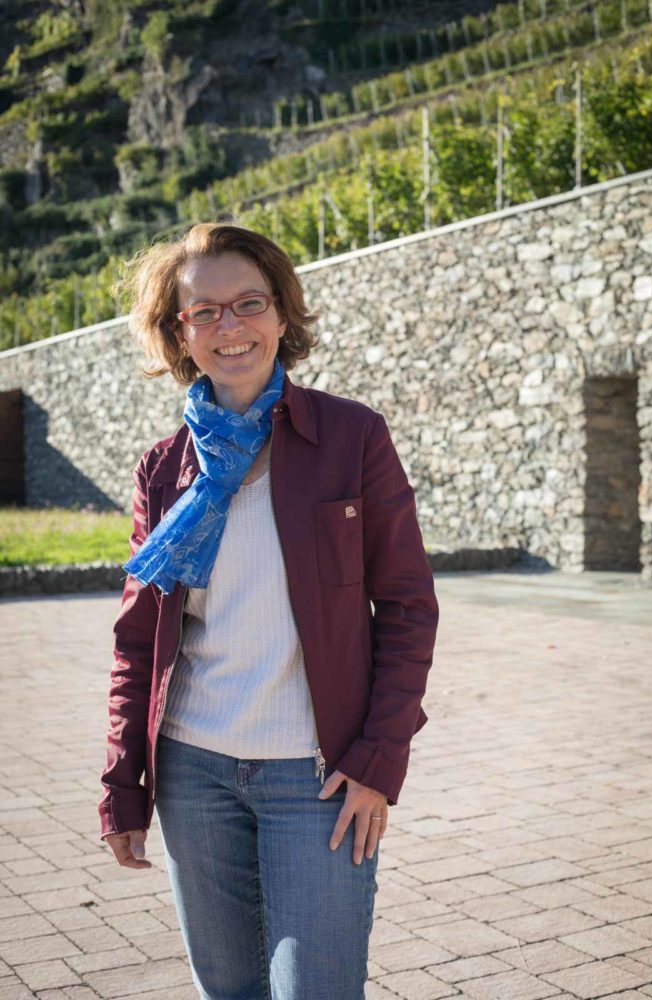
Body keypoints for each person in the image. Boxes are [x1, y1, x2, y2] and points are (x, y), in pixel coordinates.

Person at [98, 222, 439, 1000]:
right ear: (177, 332)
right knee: (230, 991)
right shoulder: (162, 468)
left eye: (248, 303)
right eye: (203, 312)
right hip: (192, 773)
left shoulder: (351, 437)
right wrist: (124, 782)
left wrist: (377, 763)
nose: (229, 327)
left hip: (318, 776)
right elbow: (136, 642)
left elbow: (410, 608)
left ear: (282, 314)